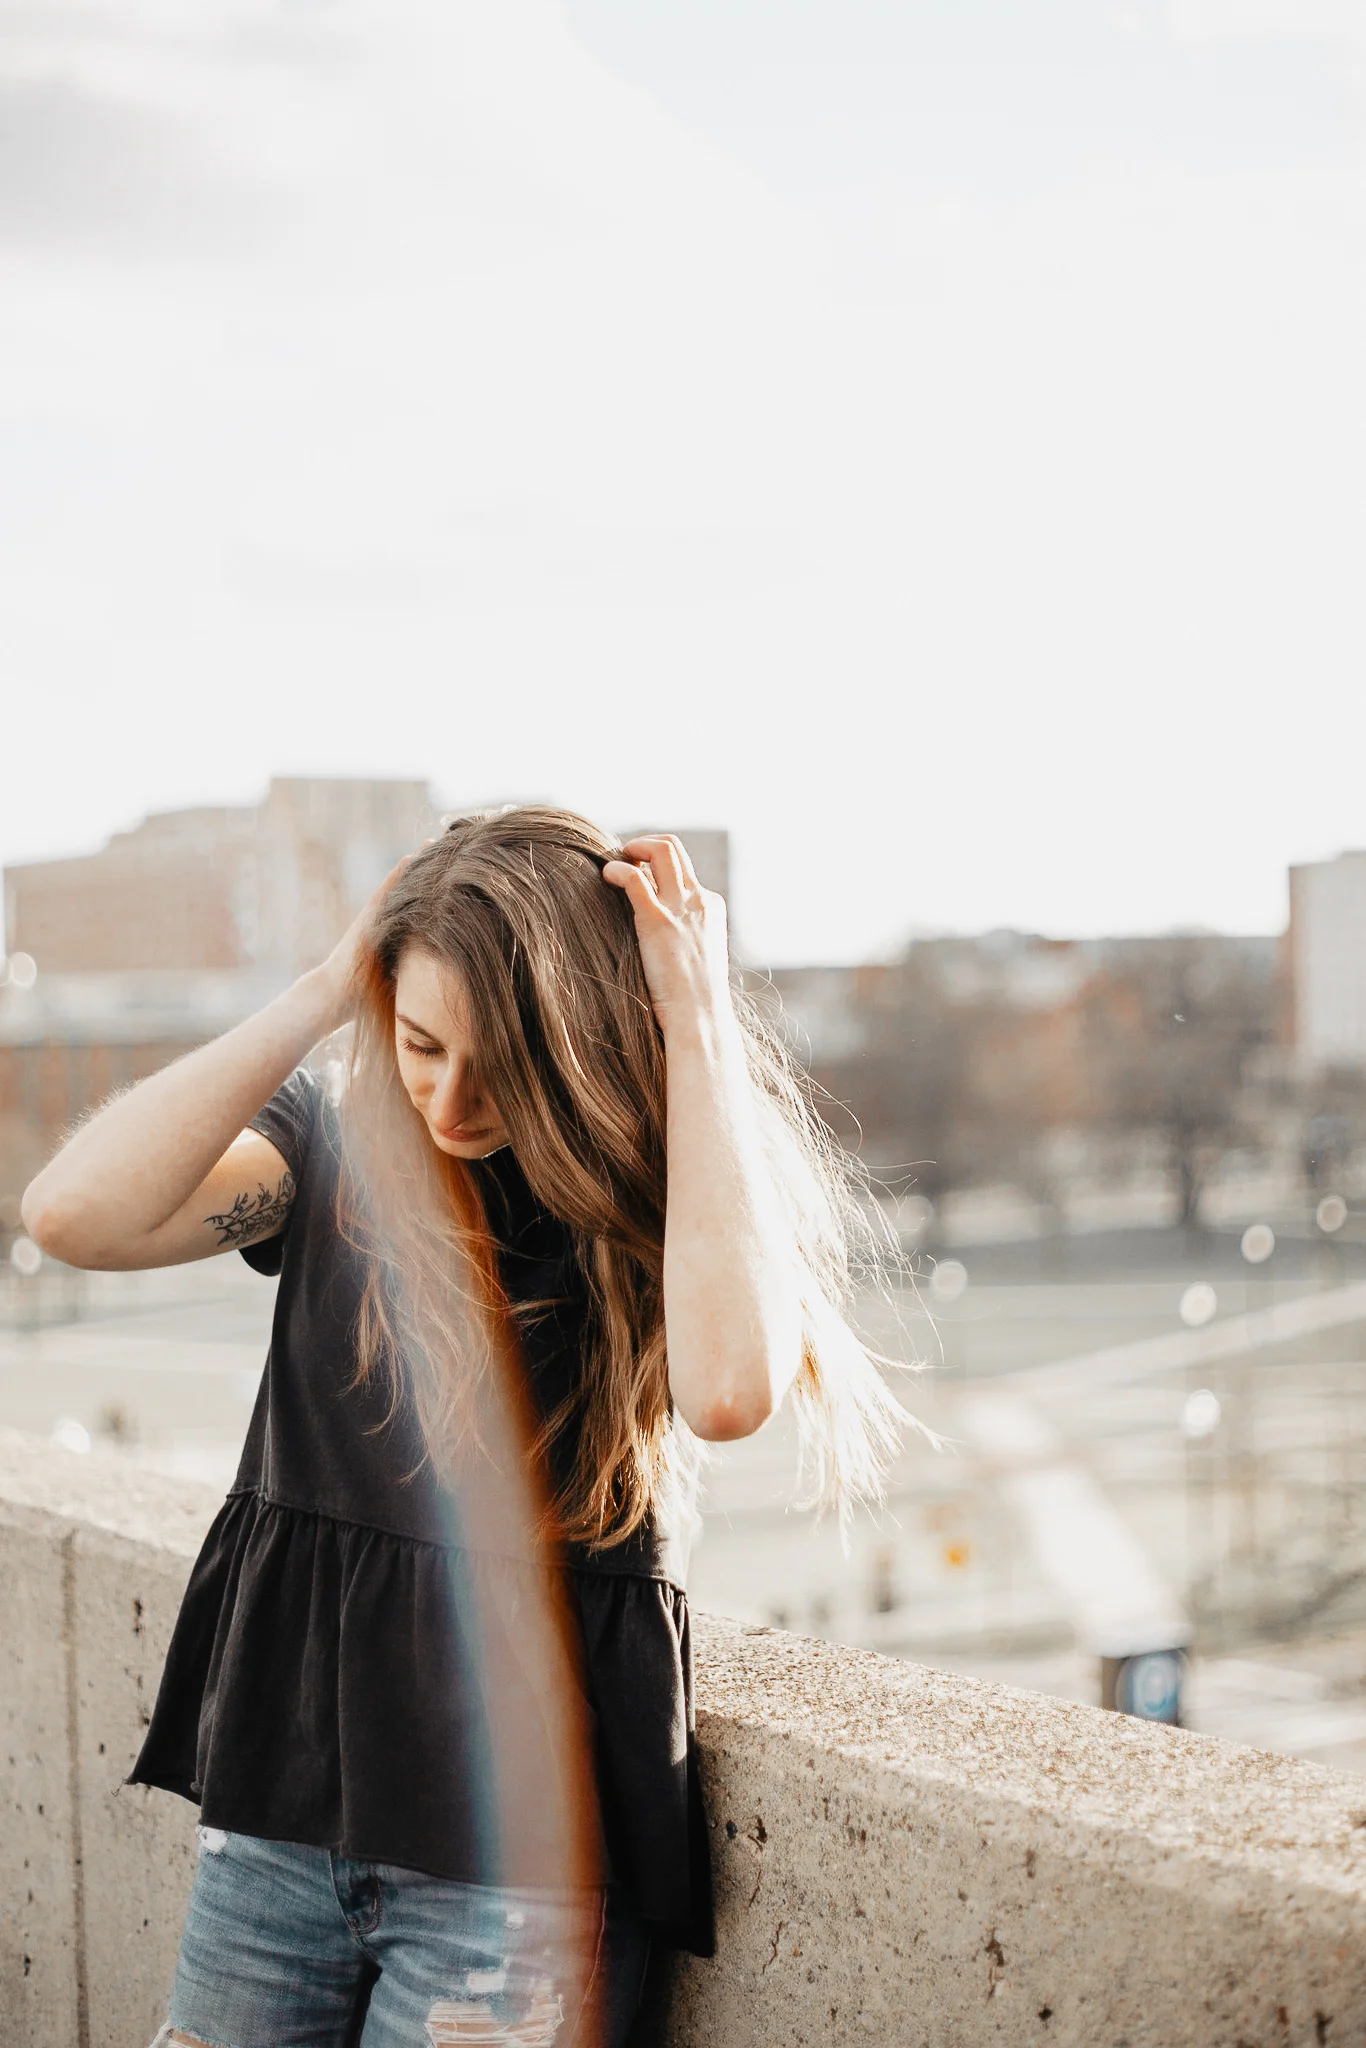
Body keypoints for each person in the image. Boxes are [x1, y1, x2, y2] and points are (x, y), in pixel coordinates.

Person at [22, 809, 908, 2048]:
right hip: (279, 1825)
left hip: (516, 1868)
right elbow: (72, 1216)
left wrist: (693, 1019)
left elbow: (725, 1392)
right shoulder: (333, 1145)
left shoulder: (655, 1192)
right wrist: (332, 986)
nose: (448, 1096)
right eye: (421, 1041)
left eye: (502, 1061)